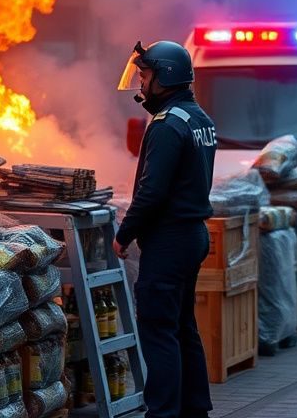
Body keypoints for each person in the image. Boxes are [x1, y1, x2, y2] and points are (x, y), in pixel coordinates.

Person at [112, 40, 216, 418]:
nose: (141, 83)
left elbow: (152, 192)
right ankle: (195, 410)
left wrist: (123, 234)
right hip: (191, 236)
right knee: (182, 326)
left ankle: (164, 413)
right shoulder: (198, 118)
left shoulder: (167, 125)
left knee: (158, 331)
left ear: (165, 76)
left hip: (170, 241)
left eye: (145, 74)